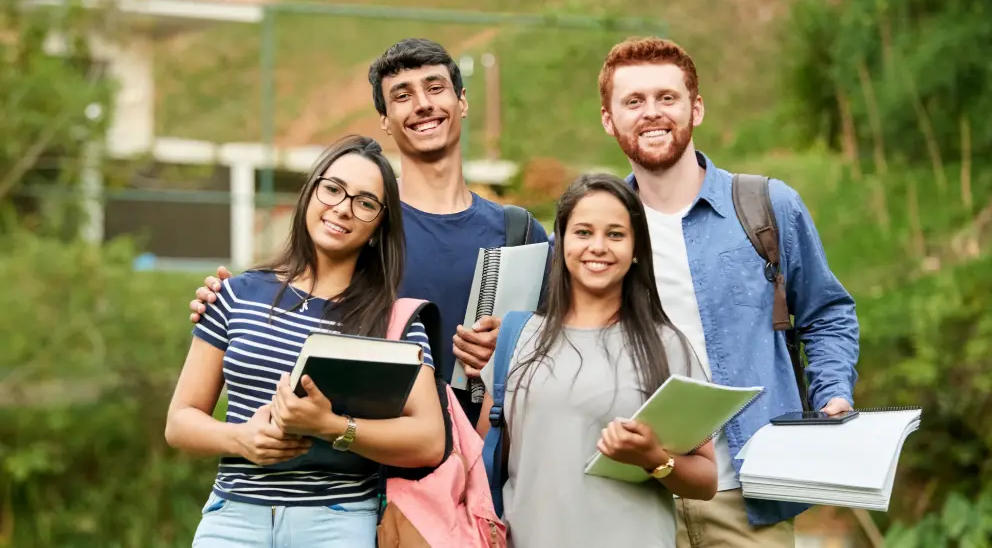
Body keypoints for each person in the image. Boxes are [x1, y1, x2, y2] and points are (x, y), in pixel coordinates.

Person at [188, 38, 549, 427]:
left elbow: (565, 343)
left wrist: (514, 344)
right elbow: (293, 300)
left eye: (435, 88)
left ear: (461, 101)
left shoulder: (519, 231)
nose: (423, 104)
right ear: (385, 120)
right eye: (402, 95)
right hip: (373, 467)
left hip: (488, 466)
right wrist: (228, 300)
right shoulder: (361, 223)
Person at [596, 36, 860, 547]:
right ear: (609, 119)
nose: (652, 113)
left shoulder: (766, 207)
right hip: (632, 497)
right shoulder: (593, 228)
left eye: (667, 98)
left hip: (748, 494)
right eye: (633, 101)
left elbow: (826, 315)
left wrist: (832, 393)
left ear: (696, 107)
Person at [165, 135, 445, 548]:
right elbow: (180, 421)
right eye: (333, 188)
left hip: (338, 521)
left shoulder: (393, 321)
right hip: (233, 518)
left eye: (365, 203)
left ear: (379, 227)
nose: (343, 208)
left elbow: (429, 441)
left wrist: (331, 427)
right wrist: (241, 439)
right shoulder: (237, 293)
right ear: (310, 192)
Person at [475, 173, 717, 548]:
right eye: (583, 232)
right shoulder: (516, 337)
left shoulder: (666, 345)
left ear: (636, 248)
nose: (598, 247)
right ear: (562, 241)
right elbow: (481, 466)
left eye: (616, 234)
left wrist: (655, 458)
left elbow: (706, 480)